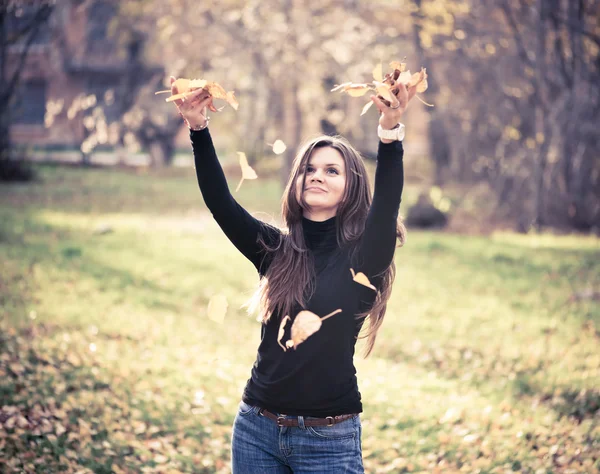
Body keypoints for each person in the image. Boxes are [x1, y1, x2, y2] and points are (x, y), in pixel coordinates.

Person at [170, 75, 415, 473]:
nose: (317, 176)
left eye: (332, 171)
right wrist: (198, 128)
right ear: (297, 181)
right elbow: (220, 202)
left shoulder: (365, 258)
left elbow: (386, 207)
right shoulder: (276, 249)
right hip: (256, 431)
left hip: (328, 440)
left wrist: (390, 133)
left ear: (352, 187)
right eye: (310, 169)